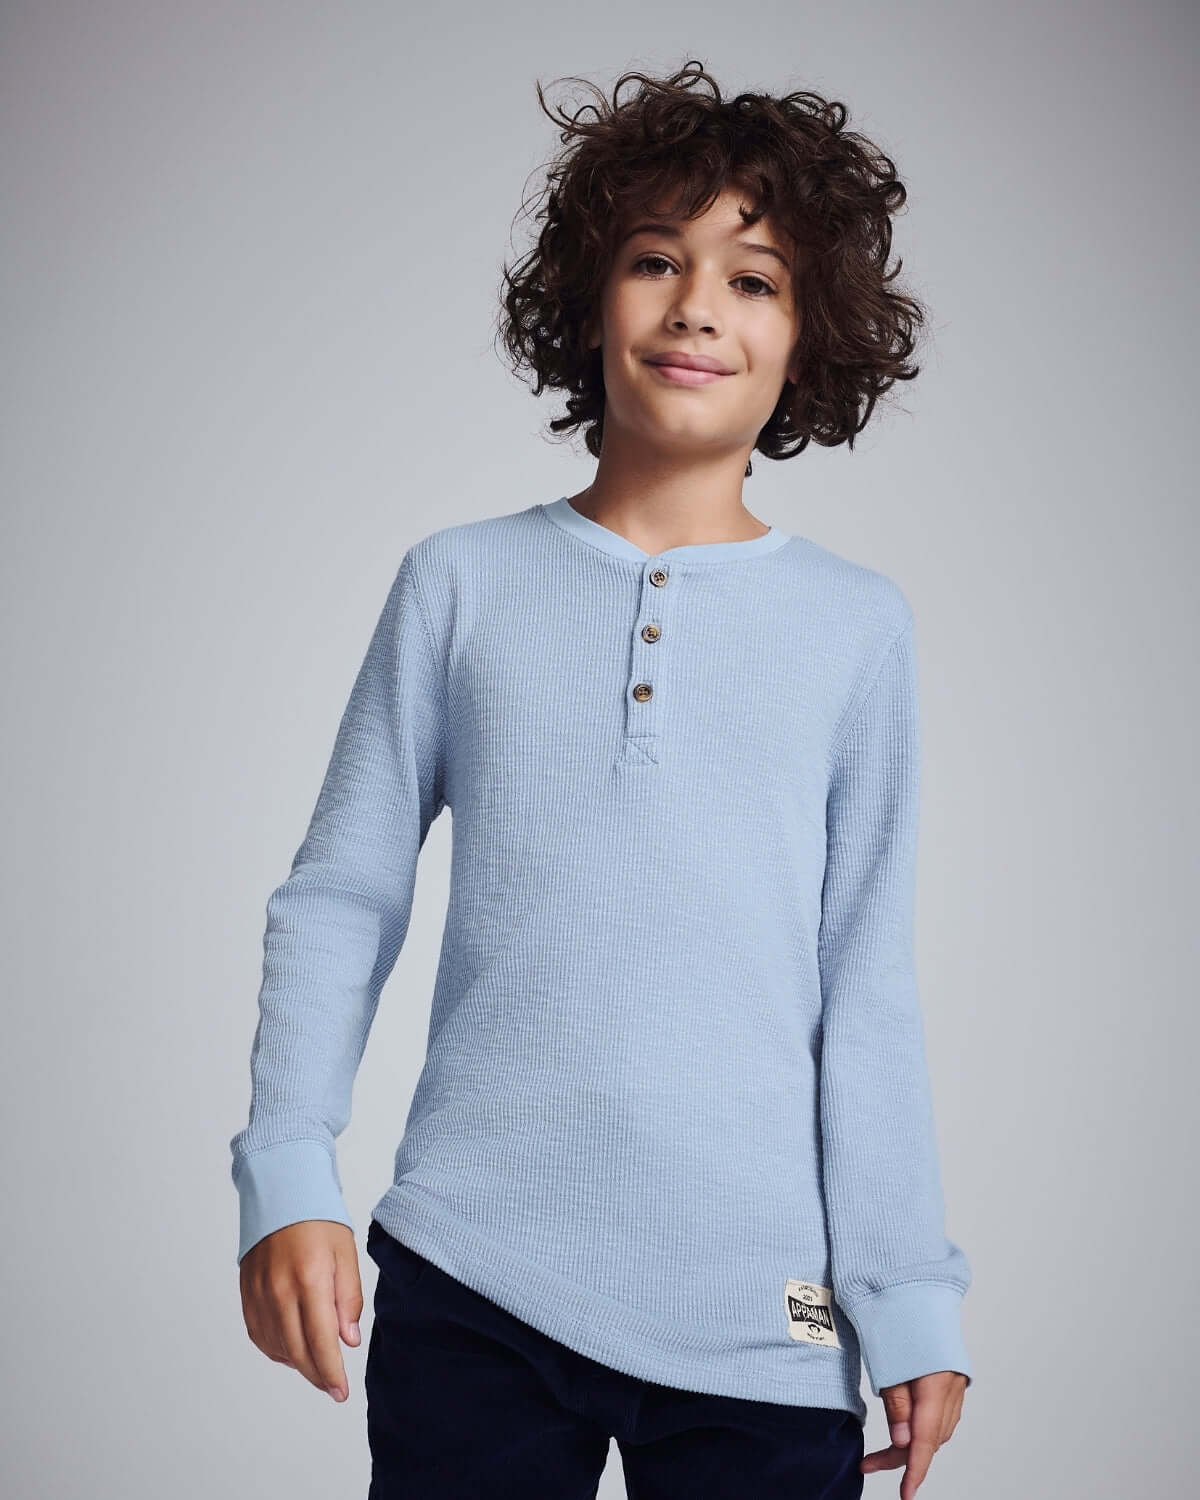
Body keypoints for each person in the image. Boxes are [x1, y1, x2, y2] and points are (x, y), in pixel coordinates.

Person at [230, 60, 973, 1500]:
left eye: (753, 279)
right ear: (588, 300)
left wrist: (907, 1295)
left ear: (810, 336)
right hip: (475, 1274)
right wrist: (286, 1174)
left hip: (764, 1313)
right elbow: (342, 895)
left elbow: (866, 981)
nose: (697, 307)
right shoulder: (460, 584)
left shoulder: (855, 628)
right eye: (653, 261)